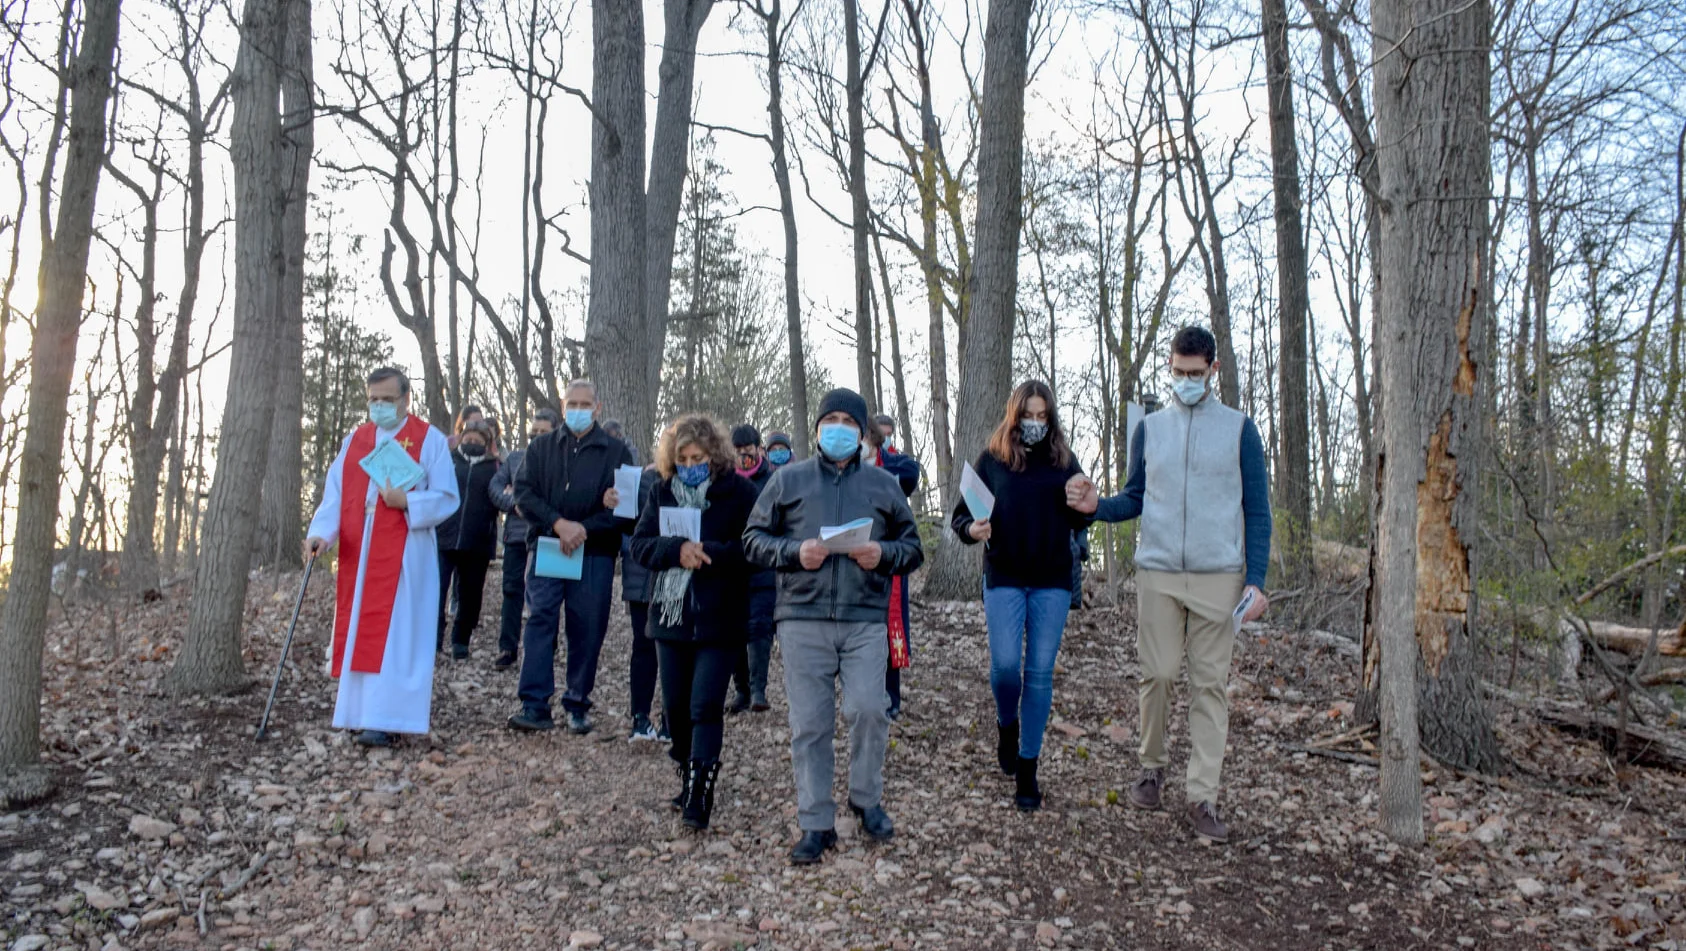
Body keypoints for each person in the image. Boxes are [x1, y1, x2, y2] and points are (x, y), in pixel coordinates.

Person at [1070, 325, 1272, 844]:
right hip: (1158, 571)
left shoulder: (1240, 430)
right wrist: (1097, 510)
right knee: (1157, 674)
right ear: (1169, 365)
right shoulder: (1151, 428)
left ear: (1213, 371)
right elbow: (1135, 496)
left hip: (1219, 577)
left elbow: (1257, 510)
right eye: (1177, 371)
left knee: (1209, 687)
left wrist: (1257, 581)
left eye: (1194, 373)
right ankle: (1151, 768)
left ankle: (1203, 796)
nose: (1185, 380)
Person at [744, 388, 924, 866]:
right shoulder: (788, 479)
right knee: (810, 724)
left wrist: (882, 555)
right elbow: (752, 539)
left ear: (863, 433)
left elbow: (913, 547)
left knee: (869, 709)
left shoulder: (885, 484)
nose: (840, 428)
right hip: (802, 618)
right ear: (818, 427)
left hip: (865, 618)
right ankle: (815, 821)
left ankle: (866, 799)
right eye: (832, 419)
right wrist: (792, 553)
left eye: (849, 421)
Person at [950, 380, 1091, 811]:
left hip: (1051, 580)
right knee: (1007, 668)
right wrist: (972, 530)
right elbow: (961, 518)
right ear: (1014, 416)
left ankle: (1028, 766)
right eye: (1027, 415)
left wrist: (1085, 503)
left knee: (1041, 673)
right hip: (1005, 577)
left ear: (1050, 419)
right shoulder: (993, 461)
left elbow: (1083, 515)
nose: (1034, 423)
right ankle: (1005, 723)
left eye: (1041, 416)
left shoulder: (1063, 461)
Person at [304, 367, 459, 747]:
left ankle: (390, 717)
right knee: (362, 629)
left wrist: (408, 501)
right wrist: (321, 534)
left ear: (406, 399)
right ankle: (359, 713)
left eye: (387, 400)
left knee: (397, 634)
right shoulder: (356, 440)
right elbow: (335, 495)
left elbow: (447, 497)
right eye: (373, 399)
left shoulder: (429, 440)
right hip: (362, 547)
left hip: (406, 548)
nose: (379, 406)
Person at [631, 415, 760, 830]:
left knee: (705, 704)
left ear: (714, 455)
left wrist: (711, 553)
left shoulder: (739, 492)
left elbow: (752, 548)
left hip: (719, 614)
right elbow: (640, 544)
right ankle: (685, 771)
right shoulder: (661, 490)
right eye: (683, 457)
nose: (690, 464)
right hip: (670, 616)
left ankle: (699, 794)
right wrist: (676, 550)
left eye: (698, 457)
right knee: (676, 709)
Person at [506, 380, 636, 736]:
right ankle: (534, 704)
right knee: (540, 620)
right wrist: (559, 524)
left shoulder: (617, 452)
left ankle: (577, 702)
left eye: (585, 404)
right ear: (563, 407)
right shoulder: (541, 447)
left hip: (593, 552)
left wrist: (583, 530)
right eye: (572, 404)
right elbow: (524, 494)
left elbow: (627, 510)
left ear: (598, 407)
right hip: (548, 546)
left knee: (587, 627)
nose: (578, 410)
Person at [489, 408, 559, 670]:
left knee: (547, 597)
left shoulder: (563, 461)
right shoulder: (516, 458)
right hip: (517, 536)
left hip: (549, 537)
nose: (538, 437)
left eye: (544, 432)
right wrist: (514, 502)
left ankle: (545, 648)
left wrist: (532, 503)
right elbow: (495, 488)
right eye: (534, 433)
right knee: (512, 590)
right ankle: (508, 647)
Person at [865, 414, 920, 721]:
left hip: (889, 558)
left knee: (891, 628)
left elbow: (912, 475)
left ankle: (891, 697)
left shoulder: (895, 465)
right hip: (855, 560)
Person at [436, 420, 502, 659]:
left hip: (478, 542)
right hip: (444, 537)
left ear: (486, 443)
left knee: (470, 595)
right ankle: (434, 639)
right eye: (468, 439)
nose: (472, 443)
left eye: (478, 440)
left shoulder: (495, 466)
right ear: (461, 438)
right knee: (437, 591)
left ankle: (460, 640)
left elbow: (500, 496)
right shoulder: (447, 460)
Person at [727, 424, 776, 714]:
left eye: (748, 450)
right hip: (733, 566)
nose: (743, 456)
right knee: (735, 630)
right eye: (737, 451)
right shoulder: (724, 481)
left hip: (764, 566)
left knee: (759, 629)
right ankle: (741, 690)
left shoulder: (773, 481)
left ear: (760, 450)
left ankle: (759, 689)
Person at [622, 461, 666, 741]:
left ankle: (671, 718)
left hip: (680, 577)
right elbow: (626, 526)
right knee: (644, 647)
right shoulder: (640, 481)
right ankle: (640, 716)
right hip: (643, 577)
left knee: (676, 651)